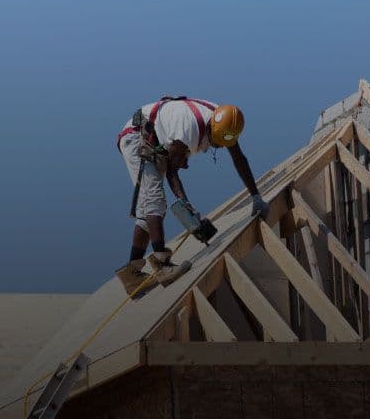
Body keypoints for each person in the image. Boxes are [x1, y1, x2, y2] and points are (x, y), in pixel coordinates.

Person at [115, 96, 269, 297]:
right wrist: (189, 213)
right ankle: (162, 266)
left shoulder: (226, 122)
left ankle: (132, 275)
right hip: (136, 137)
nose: (217, 146)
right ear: (211, 128)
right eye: (214, 142)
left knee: (148, 212)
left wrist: (256, 197)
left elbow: (239, 158)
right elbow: (172, 173)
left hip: (155, 140)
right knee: (155, 201)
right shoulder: (188, 130)